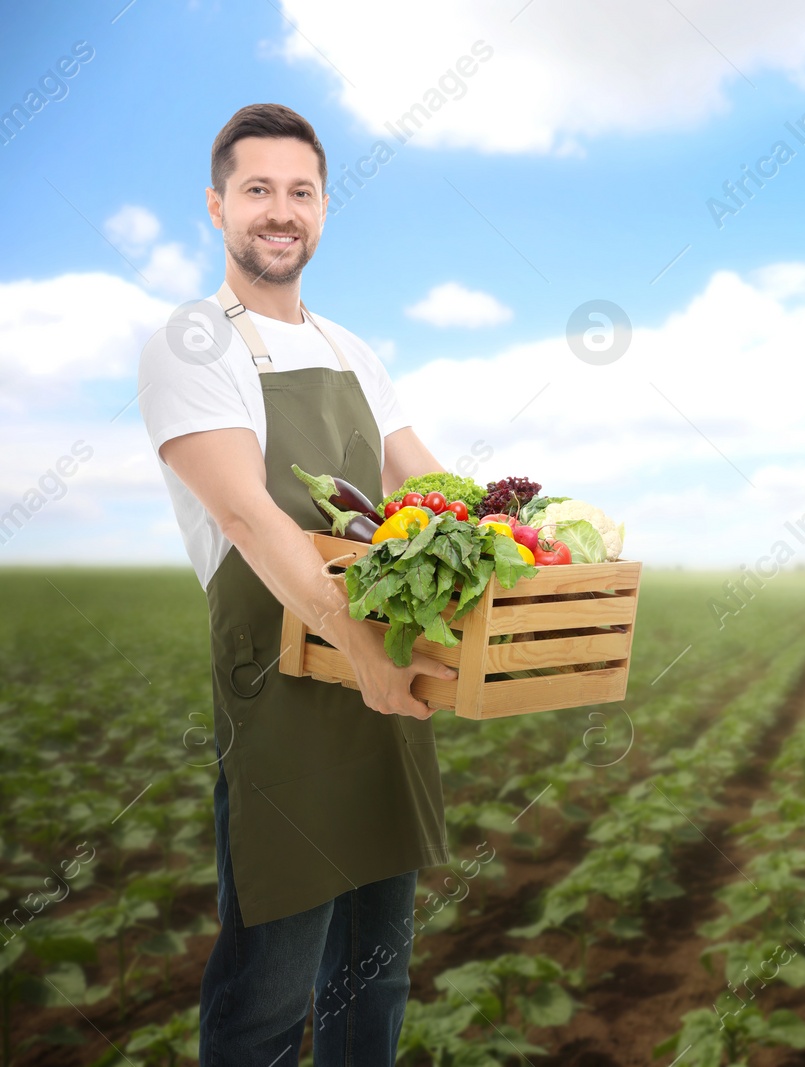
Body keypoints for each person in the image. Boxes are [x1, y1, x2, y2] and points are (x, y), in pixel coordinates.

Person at [138, 102, 456, 1066]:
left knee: (377, 976)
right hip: (284, 688)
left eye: (301, 192)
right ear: (217, 206)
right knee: (271, 990)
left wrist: (527, 537)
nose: (282, 211)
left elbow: (429, 488)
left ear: (324, 209)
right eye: (258, 190)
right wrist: (353, 635)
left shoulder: (354, 350)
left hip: (382, 688)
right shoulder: (193, 342)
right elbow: (248, 515)